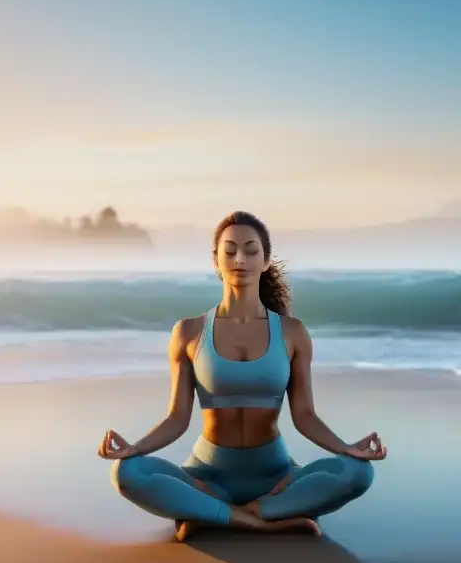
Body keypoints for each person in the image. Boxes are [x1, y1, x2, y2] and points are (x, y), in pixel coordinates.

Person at [98, 211, 387, 541]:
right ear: (216, 260)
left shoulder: (292, 333)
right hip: (207, 477)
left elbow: (305, 416)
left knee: (358, 472)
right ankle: (258, 518)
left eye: (251, 250)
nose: (240, 259)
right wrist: (133, 448)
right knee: (127, 472)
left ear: (265, 261)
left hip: (275, 476)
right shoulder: (189, 332)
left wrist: (348, 447)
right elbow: (177, 418)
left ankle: (213, 514)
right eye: (230, 249)